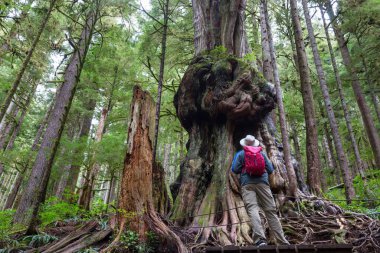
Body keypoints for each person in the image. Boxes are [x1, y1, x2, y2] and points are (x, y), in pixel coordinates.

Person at [231, 135, 289, 246]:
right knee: (270, 211)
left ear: (244, 144)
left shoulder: (240, 154)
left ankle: (260, 240)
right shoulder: (261, 153)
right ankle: (282, 240)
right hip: (263, 184)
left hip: (247, 184)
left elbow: (234, 169)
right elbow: (270, 168)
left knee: (253, 209)